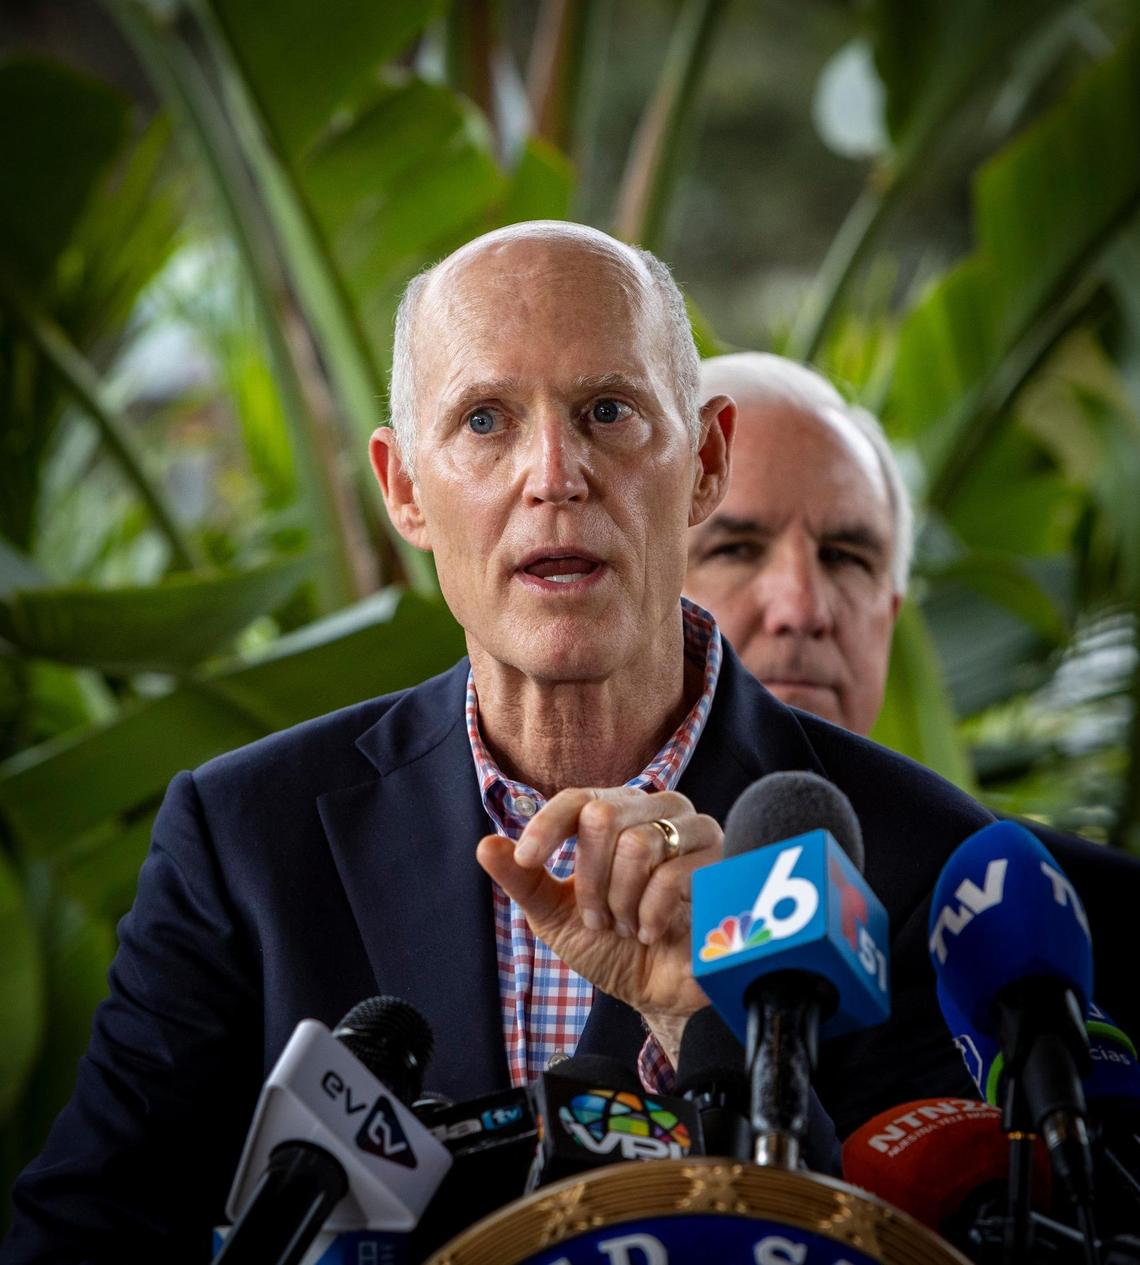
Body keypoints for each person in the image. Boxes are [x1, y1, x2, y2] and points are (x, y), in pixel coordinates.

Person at [6, 226, 1139, 1260]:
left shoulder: (927, 860)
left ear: (703, 462)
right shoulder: (245, 835)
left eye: (608, 411)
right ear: (404, 489)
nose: (554, 476)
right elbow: (84, 1233)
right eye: (486, 420)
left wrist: (703, 1030)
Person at [684, 352, 909, 739]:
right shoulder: (551, 801)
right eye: (735, 551)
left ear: (890, 613)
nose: (802, 610)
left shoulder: (941, 804)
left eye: (843, 558)